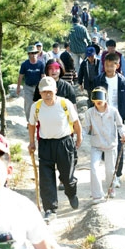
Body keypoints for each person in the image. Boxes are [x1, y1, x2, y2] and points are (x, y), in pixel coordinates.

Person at [28, 77, 82, 223]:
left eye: (50, 91)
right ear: (40, 92)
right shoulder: (36, 107)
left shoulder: (65, 103)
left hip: (64, 143)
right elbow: (32, 125)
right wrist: (32, 142)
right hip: (45, 144)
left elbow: (76, 122)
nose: (47, 94)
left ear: (55, 91)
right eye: (44, 92)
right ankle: (50, 209)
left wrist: (79, 137)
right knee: (46, 177)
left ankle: (71, 193)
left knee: (67, 177)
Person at [93, 53, 125, 187]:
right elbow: (92, 100)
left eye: (112, 66)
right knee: (105, 147)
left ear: (117, 65)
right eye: (106, 65)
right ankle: (109, 172)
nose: (109, 68)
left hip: (117, 118)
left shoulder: (122, 81)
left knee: (119, 146)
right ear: (103, 65)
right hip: (102, 117)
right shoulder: (99, 80)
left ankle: (117, 174)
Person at [83, 87, 125, 204]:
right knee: (94, 168)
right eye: (96, 99)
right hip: (96, 144)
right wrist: (78, 138)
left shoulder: (113, 111)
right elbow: (85, 128)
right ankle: (97, 195)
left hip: (110, 144)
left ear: (105, 98)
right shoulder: (89, 113)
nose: (98, 102)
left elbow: (120, 125)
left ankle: (110, 187)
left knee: (110, 170)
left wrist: (123, 134)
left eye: (100, 99)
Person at [16, 45, 45, 123]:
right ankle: (30, 122)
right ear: (28, 54)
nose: (33, 54)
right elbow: (20, 76)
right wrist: (18, 87)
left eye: (35, 53)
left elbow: (43, 76)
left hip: (38, 87)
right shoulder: (25, 64)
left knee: (39, 104)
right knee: (28, 105)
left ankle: (39, 121)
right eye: (31, 53)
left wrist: (43, 88)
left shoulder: (41, 64)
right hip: (28, 87)